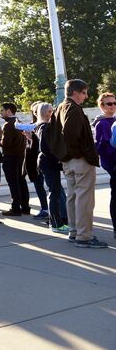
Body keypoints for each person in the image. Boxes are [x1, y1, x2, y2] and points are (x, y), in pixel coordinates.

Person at [55, 79, 107, 247]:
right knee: (84, 198)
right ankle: (84, 236)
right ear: (75, 92)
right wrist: (81, 153)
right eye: (84, 92)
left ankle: (74, 231)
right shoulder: (73, 108)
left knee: (73, 196)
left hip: (68, 161)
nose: (86, 96)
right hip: (78, 160)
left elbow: (58, 134)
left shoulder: (60, 107)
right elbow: (69, 133)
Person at [36, 102, 69, 233]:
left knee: (54, 192)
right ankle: (55, 223)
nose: (54, 112)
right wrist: (58, 157)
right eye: (51, 111)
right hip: (49, 163)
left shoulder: (42, 126)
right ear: (47, 113)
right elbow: (45, 148)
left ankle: (56, 221)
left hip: (48, 162)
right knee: (54, 193)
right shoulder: (45, 127)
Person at [0, 102, 30, 216]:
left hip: (11, 158)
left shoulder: (8, 125)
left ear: (9, 111)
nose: (1, 113)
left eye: (2, 110)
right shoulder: (19, 122)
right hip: (20, 157)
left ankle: (16, 208)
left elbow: (6, 143)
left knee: (14, 183)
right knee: (21, 182)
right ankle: (25, 207)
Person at [92, 92, 116, 237]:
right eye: (109, 103)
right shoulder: (101, 123)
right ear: (101, 106)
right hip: (113, 164)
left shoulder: (113, 121)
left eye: (114, 103)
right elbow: (102, 147)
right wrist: (113, 164)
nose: (113, 106)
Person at [26, 102, 49, 221]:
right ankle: (45, 208)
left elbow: (39, 145)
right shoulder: (33, 126)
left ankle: (46, 209)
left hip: (40, 161)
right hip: (35, 161)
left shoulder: (42, 126)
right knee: (40, 186)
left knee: (44, 186)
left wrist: (31, 138)